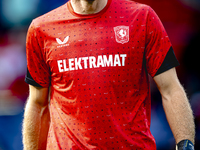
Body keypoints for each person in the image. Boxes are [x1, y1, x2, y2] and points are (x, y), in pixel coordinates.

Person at [22, 0, 195, 149]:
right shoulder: (41, 29)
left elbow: (171, 89)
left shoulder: (141, 17)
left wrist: (185, 144)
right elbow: (38, 103)